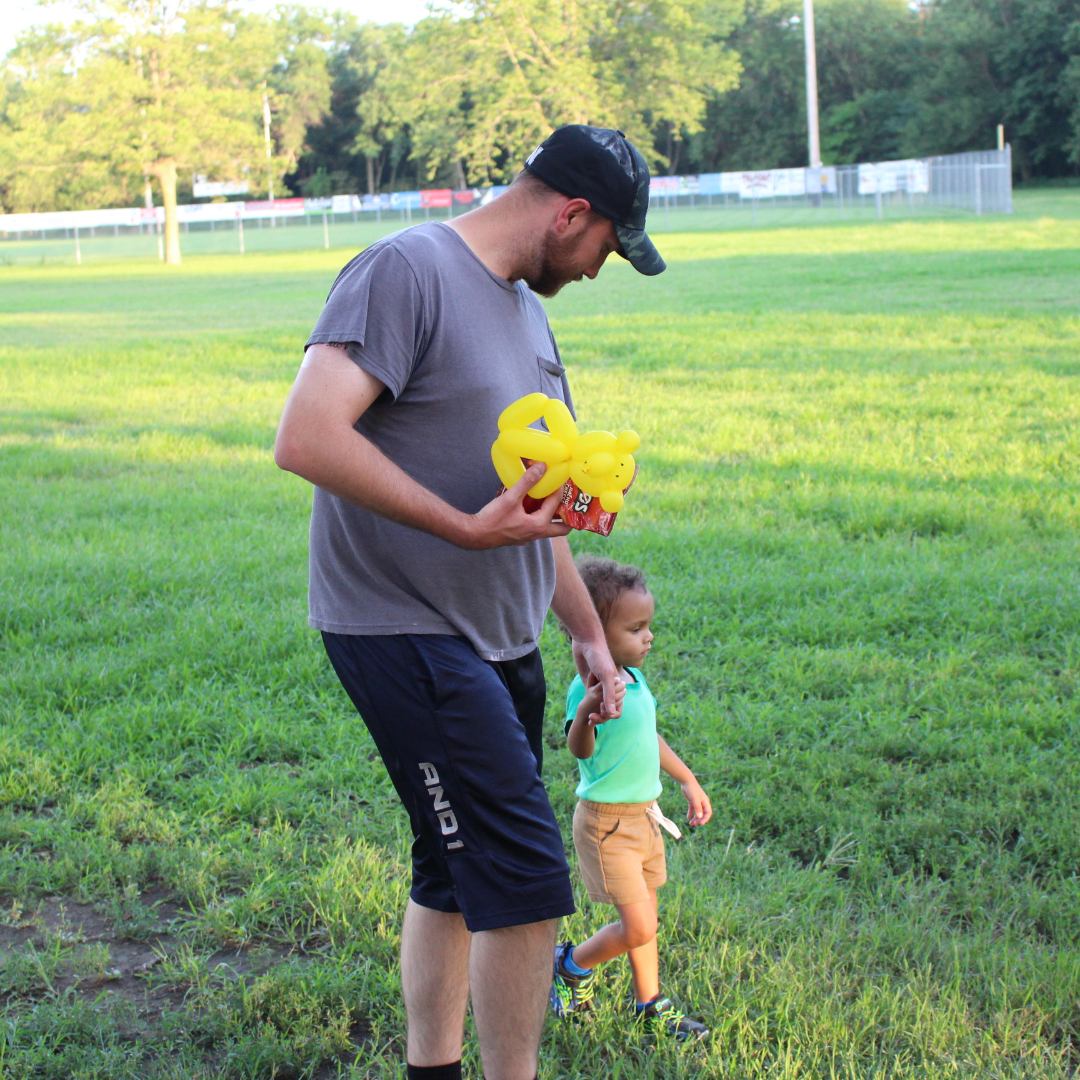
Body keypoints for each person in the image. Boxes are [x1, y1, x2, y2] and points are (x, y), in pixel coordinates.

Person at [274, 125, 665, 1080]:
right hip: (402, 625)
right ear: (570, 213)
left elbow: (536, 509)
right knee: (526, 878)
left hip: (499, 636)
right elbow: (306, 435)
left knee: (450, 870)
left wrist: (588, 635)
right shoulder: (407, 270)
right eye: (607, 246)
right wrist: (462, 528)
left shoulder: (529, 313)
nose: (601, 268)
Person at [551, 556, 713, 1040]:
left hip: (644, 818)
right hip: (607, 826)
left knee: (648, 920)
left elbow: (649, 738)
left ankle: (650, 1002)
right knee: (638, 926)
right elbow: (580, 750)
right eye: (636, 628)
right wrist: (586, 715)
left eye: (648, 627)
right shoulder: (589, 687)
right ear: (594, 633)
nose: (649, 637)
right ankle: (572, 964)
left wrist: (687, 779)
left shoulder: (636, 683)